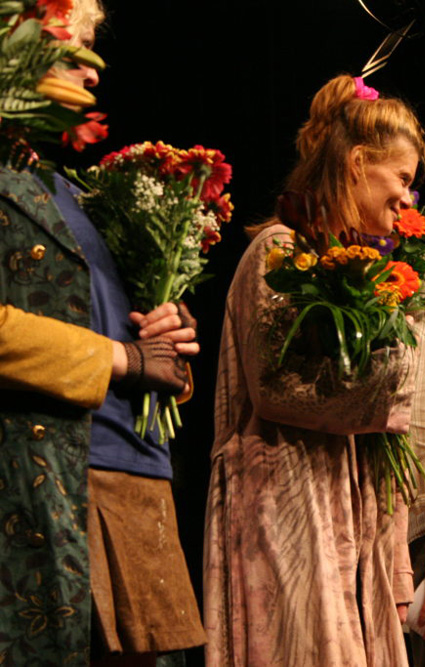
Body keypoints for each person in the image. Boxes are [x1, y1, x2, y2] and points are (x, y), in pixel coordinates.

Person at [202, 74, 425, 666]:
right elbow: (277, 388)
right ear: (358, 164)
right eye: (402, 178)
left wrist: (395, 567)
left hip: (353, 514)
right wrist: (394, 391)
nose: (409, 199)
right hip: (287, 504)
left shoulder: (363, 271)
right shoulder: (280, 253)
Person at [0, 1, 203, 664]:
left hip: (137, 481)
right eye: (74, 51)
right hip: (44, 482)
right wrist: (123, 358)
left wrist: (169, 336)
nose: (93, 73)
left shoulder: (75, 192)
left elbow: (119, 323)